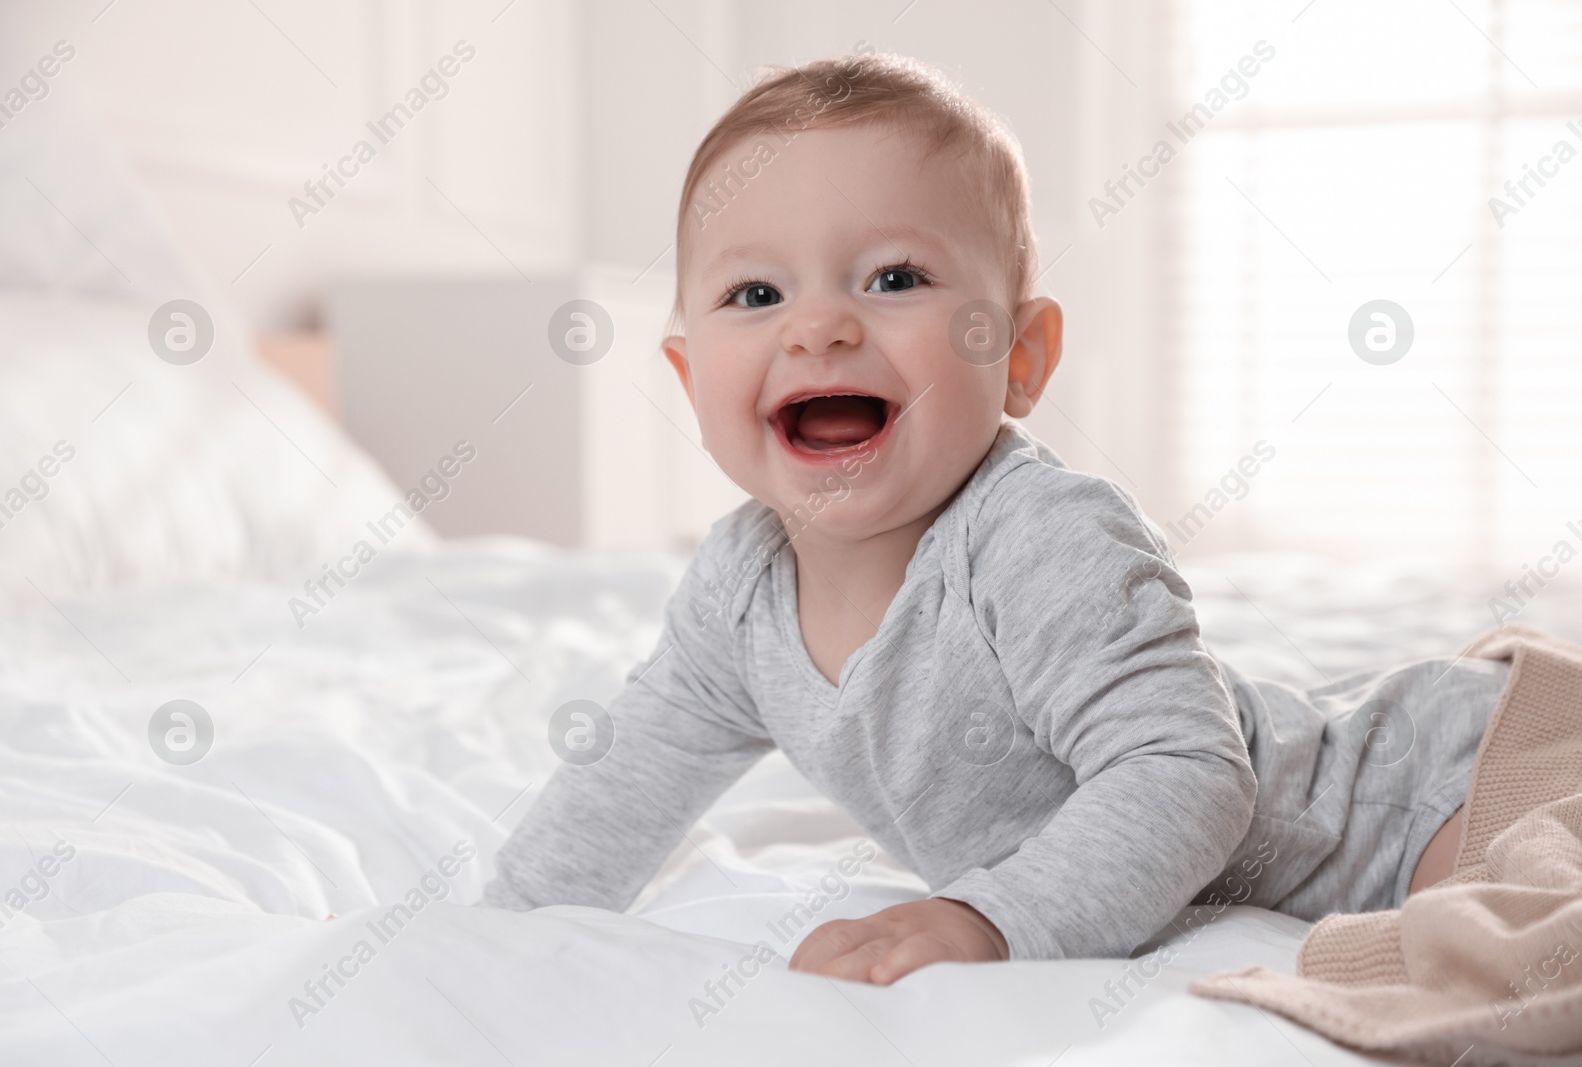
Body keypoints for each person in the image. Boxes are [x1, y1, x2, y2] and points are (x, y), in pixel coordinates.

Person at [481, 50, 1506, 985]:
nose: (818, 326)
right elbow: (618, 788)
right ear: (687, 370)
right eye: (755, 291)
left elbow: (1187, 772)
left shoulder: (1038, 533)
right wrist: (484, 927)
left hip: (1420, 804)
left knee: (1520, 940)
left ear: (1018, 357)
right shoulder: (738, 592)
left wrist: (991, 917)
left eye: (894, 278)